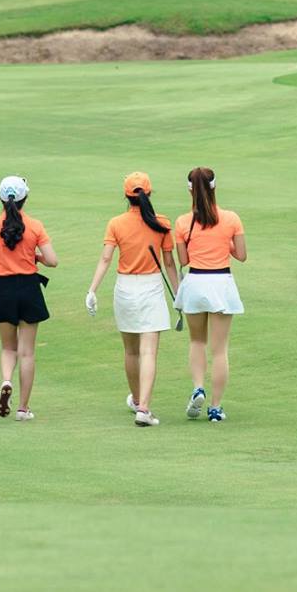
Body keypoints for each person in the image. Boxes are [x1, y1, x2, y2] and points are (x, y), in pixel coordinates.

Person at [85, 172, 177, 426]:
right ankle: (143, 408)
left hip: (125, 288)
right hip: (151, 288)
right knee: (148, 351)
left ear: (126, 196)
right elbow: (169, 263)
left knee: (131, 351)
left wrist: (92, 290)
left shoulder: (116, 223)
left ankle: (137, 401)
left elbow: (106, 258)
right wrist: (178, 293)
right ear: (149, 193)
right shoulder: (161, 222)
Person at [172, 166, 245, 423]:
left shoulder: (183, 222)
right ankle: (215, 407)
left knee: (197, 342)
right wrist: (225, 242)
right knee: (220, 350)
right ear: (214, 187)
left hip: (195, 282)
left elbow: (183, 259)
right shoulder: (231, 218)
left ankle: (198, 387)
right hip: (221, 283)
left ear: (189, 190)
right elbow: (241, 255)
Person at [0, 175, 56, 421]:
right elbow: (52, 260)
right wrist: (35, 257)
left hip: (3, 288)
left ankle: (6, 381)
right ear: (25, 197)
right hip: (29, 288)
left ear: (1, 199)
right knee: (27, 352)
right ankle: (23, 408)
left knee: (7, 347)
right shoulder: (35, 225)